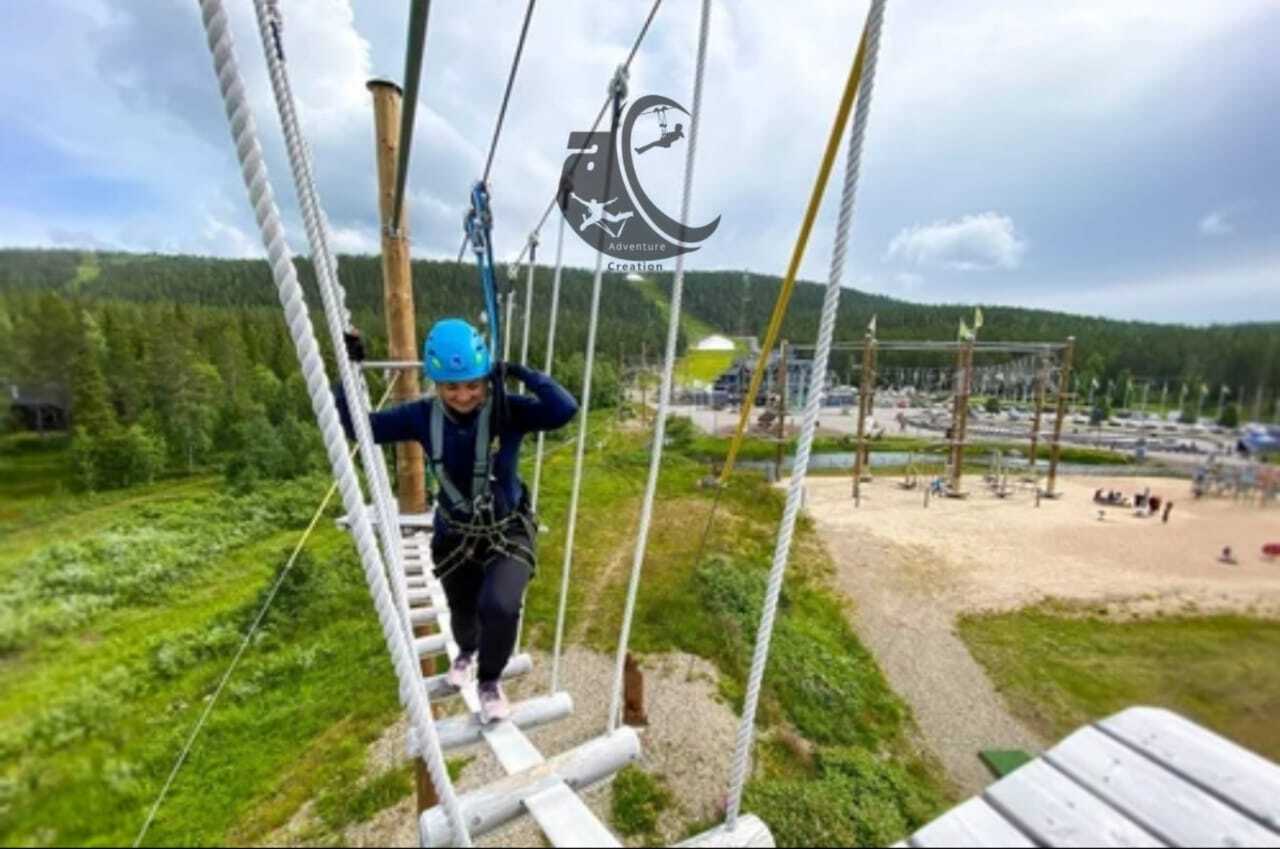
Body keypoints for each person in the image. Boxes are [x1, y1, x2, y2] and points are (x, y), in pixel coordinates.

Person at [336, 319, 578, 723]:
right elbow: (359, 427)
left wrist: (516, 372)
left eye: (472, 384)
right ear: (436, 384)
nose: (463, 395)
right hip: (455, 534)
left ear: (485, 379)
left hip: (506, 530)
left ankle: (489, 681)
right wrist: (346, 372)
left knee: (498, 606)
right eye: (451, 386)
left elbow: (563, 409)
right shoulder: (420, 416)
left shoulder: (507, 412)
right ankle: (466, 653)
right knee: (462, 610)